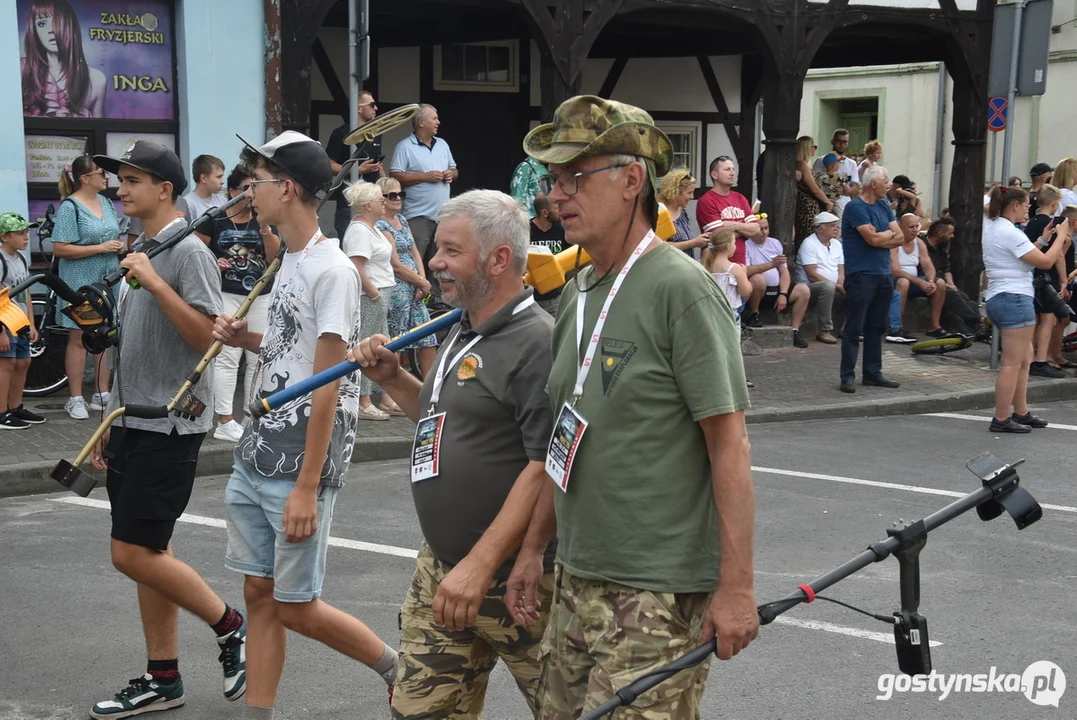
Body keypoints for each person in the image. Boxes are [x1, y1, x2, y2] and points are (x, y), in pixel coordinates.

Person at [510, 95, 758, 718]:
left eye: (575, 177)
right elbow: (565, 437)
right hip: (575, 575)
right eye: (553, 180)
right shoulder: (580, 290)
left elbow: (729, 445)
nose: (557, 196)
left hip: (656, 590)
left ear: (630, 180)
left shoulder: (682, 288)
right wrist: (533, 549)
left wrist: (737, 588)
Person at [350, 189, 557, 720]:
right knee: (418, 713)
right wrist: (394, 377)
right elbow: (443, 422)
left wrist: (480, 565)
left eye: (450, 251)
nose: (435, 262)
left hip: (519, 581)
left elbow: (546, 466)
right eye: (437, 249)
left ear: (499, 259)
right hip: (443, 570)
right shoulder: (460, 327)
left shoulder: (538, 343)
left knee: (573, 710)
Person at [212, 131, 398, 720]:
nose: (248, 190)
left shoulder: (332, 269)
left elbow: (333, 382)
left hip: (297, 459)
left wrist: (307, 485)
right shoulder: (290, 258)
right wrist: (252, 339)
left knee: (295, 605)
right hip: (258, 445)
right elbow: (299, 353)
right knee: (258, 594)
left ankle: (397, 668)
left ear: (286, 187)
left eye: (257, 180)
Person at [86, 140, 245, 719]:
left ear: (165, 190)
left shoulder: (187, 256)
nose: (120, 188)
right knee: (152, 553)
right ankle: (164, 678)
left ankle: (230, 626)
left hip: (171, 425)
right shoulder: (147, 246)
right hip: (134, 418)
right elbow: (133, 342)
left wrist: (155, 282)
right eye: (118, 179)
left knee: (130, 553)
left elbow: (209, 340)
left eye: (131, 179)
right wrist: (111, 412)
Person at [982, 184, 1071, 433]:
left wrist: (1043, 238)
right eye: (1026, 205)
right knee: (1012, 362)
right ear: (1015, 206)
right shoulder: (1009, 232)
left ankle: (1021, 412)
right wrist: (1060, 235)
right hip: (1014, 298)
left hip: (1003, 296)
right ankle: (1001, 418)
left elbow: (1022, 258)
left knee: (1024, 359)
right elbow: (1045, 261)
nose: (1028, 209)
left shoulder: (999, 229)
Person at [206, 165, 280, 442]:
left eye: (256, 187)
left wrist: (264, 229)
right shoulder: (215, 219)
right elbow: (198, 255)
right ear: (233, 191)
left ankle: (252, 417)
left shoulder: (265, 218)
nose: (253, 193)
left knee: (257, 357)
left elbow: (275, 257)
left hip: (261, 294)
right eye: (248, 187)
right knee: (226, 357)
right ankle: (225, 420)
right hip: (227, 293)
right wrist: (214, 262)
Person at [52, 155, 122, 419]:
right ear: (85, 178)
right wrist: (101, 248)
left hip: (107, 278)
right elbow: (60, 248)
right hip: (80, 280)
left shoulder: (106, 201)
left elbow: (112, 235)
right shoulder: (71, 207)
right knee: (79, 337)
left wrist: (116, 247)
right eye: (101, 172)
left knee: (104, 336)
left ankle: (101, 393)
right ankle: (75, 397)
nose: (106, 176)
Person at [839, 165, 905, 394]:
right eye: (885, 181)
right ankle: (847, 375)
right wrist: (885, 235)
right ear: (873, 183)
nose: (889, 185)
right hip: (861, 274)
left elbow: (900, 236)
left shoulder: (884, 206)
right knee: (854, 327)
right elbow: (873, 240)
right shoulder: (855, 208)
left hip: (883, 273)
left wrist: (882, 234)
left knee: (877, 326)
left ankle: (872, 373)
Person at [342, 181, 402, 420]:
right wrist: (374, 292)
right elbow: (356, 266)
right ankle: (363, 400)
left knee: (382, 345)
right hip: (370, 296)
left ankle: (385, 397)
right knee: (368, 346)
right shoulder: (358, 230)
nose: (384, 202)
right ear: (368, 205)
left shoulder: (373, 227)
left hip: (380, 293)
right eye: (380, 199)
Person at [390, 104, 458, 287]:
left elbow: (454, 169)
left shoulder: (442, 144)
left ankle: (438, 305)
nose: (438, 122)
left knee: (441, 264)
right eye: (434, 118)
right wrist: (425, 177)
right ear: (421, 122)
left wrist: (452, 174)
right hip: (417, 216)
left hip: (442, 217)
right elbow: (395, 175)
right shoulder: (404, 147)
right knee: (415, 261)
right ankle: (415, 299)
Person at [375, 176, 437, 378]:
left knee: (427, 336)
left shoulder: (401, 220)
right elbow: (395, 265)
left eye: (401, 194)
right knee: (398, 340)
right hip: (397, 286)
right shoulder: (380, 225)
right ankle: (396, 390)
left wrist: (422, 278)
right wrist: (420, 281)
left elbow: (414, 251)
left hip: (416, 286)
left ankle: (428, 388)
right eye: (393, 195)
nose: (398, 198)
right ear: (381, 198)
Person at [21, 0, 106, 117]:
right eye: (42, 24)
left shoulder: (96, 79)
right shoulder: (20, 70)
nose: (51, 30)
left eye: (58, 21)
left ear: (71, 26)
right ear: (34, 31)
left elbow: (99, 132)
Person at [0, 212, 45, 430]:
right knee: (5, 364)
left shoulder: (22, 259)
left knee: (23, 362)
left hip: (20, 322)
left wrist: (31, 322)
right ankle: (1, 413)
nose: (26, 237)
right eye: (20, 233)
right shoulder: (0, 260)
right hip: (5, 323)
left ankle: (15, 407)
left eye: (27, 232)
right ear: (4, 236)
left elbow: (25, 292)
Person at [1024, 186, 1074, 377]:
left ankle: (1030, 356)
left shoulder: (1032, 222)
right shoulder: (1053, 224)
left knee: (1035, 319)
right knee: (1048, 319)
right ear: (1054, 203)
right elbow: (1059, 255)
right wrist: (1063, 280)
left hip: (1032, 273)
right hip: (1047, 276)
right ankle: (1040, 360)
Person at [326, 90, 386, 240]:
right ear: (359, 108)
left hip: (374, 202)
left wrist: (386, 188)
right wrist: (357, 169)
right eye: (372, 105)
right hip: (350, 202)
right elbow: (329, 164)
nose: (376, 108)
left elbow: (379, 163)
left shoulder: (375, 133)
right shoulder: (341, 133)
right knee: (350, 246)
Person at [742, 217, 810, 347]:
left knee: (803, 290)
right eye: (760, 229)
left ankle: (794, 331)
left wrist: (783, 294)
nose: (764, 232)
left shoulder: (775, 243)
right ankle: (754, 314)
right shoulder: (746, 245)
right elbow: (746, 271)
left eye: (766, 228)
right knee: (758, 279)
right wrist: (771, 264)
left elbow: (784, 271)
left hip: (777, 289)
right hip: (758, 292)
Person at [886, 213, 946, 343]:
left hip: (915, 281)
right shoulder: (895, 242)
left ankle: (934, 326)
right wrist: (920, 282)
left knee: (940, 283)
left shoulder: (919, 242)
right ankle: (896, 327)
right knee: (903, 282)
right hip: (896, 281)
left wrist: (930, 281)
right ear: (901, 228)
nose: (914, 230)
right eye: (911, 227)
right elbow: (895, 270)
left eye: (916, 226)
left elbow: (928, 265)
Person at [695, 154, 763, 263]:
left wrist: (733, 225)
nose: (732, 173)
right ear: (714, 175)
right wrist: (744, 229)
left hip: (741, 263)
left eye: (733, 169)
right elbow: (717, 237)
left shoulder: (740, 198)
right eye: (727, 169)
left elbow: (756, 229)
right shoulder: (706, 201)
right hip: (717, 265)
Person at [923, 217, 983, 335]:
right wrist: (946, 285)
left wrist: (951, 284)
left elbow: (947, 270)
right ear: (941, 233)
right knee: (952, 295)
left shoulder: (942, 250)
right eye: (950, 233)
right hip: (930, 280)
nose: (952, 236)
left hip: (943, 282)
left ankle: (976, 326)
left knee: (964, 298)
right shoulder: (923, 246)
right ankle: (979, 320)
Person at [795, 211, 845, 345]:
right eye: (832, 226)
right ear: (821, 228)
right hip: (809, 287)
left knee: (860, 284)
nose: (836, 228)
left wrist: (841, 282)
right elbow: (812, 275)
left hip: (833, 285)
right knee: (827, 286)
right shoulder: (809, 243)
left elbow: (841, 268)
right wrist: (836, 286)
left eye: (836, 225)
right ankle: (824, 330)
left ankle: (849, 328)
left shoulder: (837, 244)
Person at [529, 194, 572, 316]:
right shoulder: (526, 231)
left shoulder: (561, 229)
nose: (560, 211)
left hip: (555, 296)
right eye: (556, 209)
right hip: (532, 297)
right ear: (544, 213)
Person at [656, 169, 707, 254]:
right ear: (675, 192)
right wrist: (693, 243)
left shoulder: (682, 212)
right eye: (689, 193)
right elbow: (659, 246)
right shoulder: (660, 212)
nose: (692, 197)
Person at [812, 129, 861, 215]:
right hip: (822, 203)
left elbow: (854, 186)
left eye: (845, 142)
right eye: (839, 141)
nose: (841, 145)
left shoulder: (851, 164)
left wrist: (845, 189)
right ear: (832, 141)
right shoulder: (820, 161)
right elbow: (813, 184)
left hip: (842, 205)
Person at [795, 136, 832, 241]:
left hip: (809, 205)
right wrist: (828, 201)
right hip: (807, 207)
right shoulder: (802, 164)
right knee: (808, 236)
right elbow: (814, 188)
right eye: (814, 146)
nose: (815, 149)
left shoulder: (802, 164)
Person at [185, 155, 227, 220]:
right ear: (203, 178)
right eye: (219, 177)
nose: (222, 182)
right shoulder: (188, 204)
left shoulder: (223, 201)